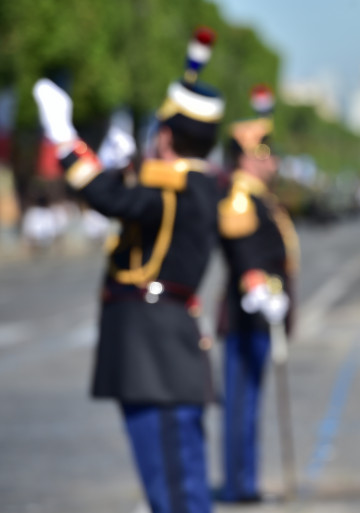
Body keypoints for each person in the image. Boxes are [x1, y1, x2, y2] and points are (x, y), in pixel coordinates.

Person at [33, 27, 223, 513]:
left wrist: (64, 138)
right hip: (157, 345)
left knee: (176, 491)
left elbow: (108, 198)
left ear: (165, 136)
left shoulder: (179, 189)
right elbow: (128, 199)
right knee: (177, 486)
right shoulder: (190, 186)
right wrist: (121, 165)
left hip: (153, 352)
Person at [215, 84, 299, 503]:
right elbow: (244, 252)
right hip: (247, 315)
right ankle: (237, 483)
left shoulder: (258, 197)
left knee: (249, 403)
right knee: (240, 405)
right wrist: (260, 287)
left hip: (263, 316)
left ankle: (243, 478)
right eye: (265, 153)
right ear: (248, 157)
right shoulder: (239, 198)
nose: (273, 161)